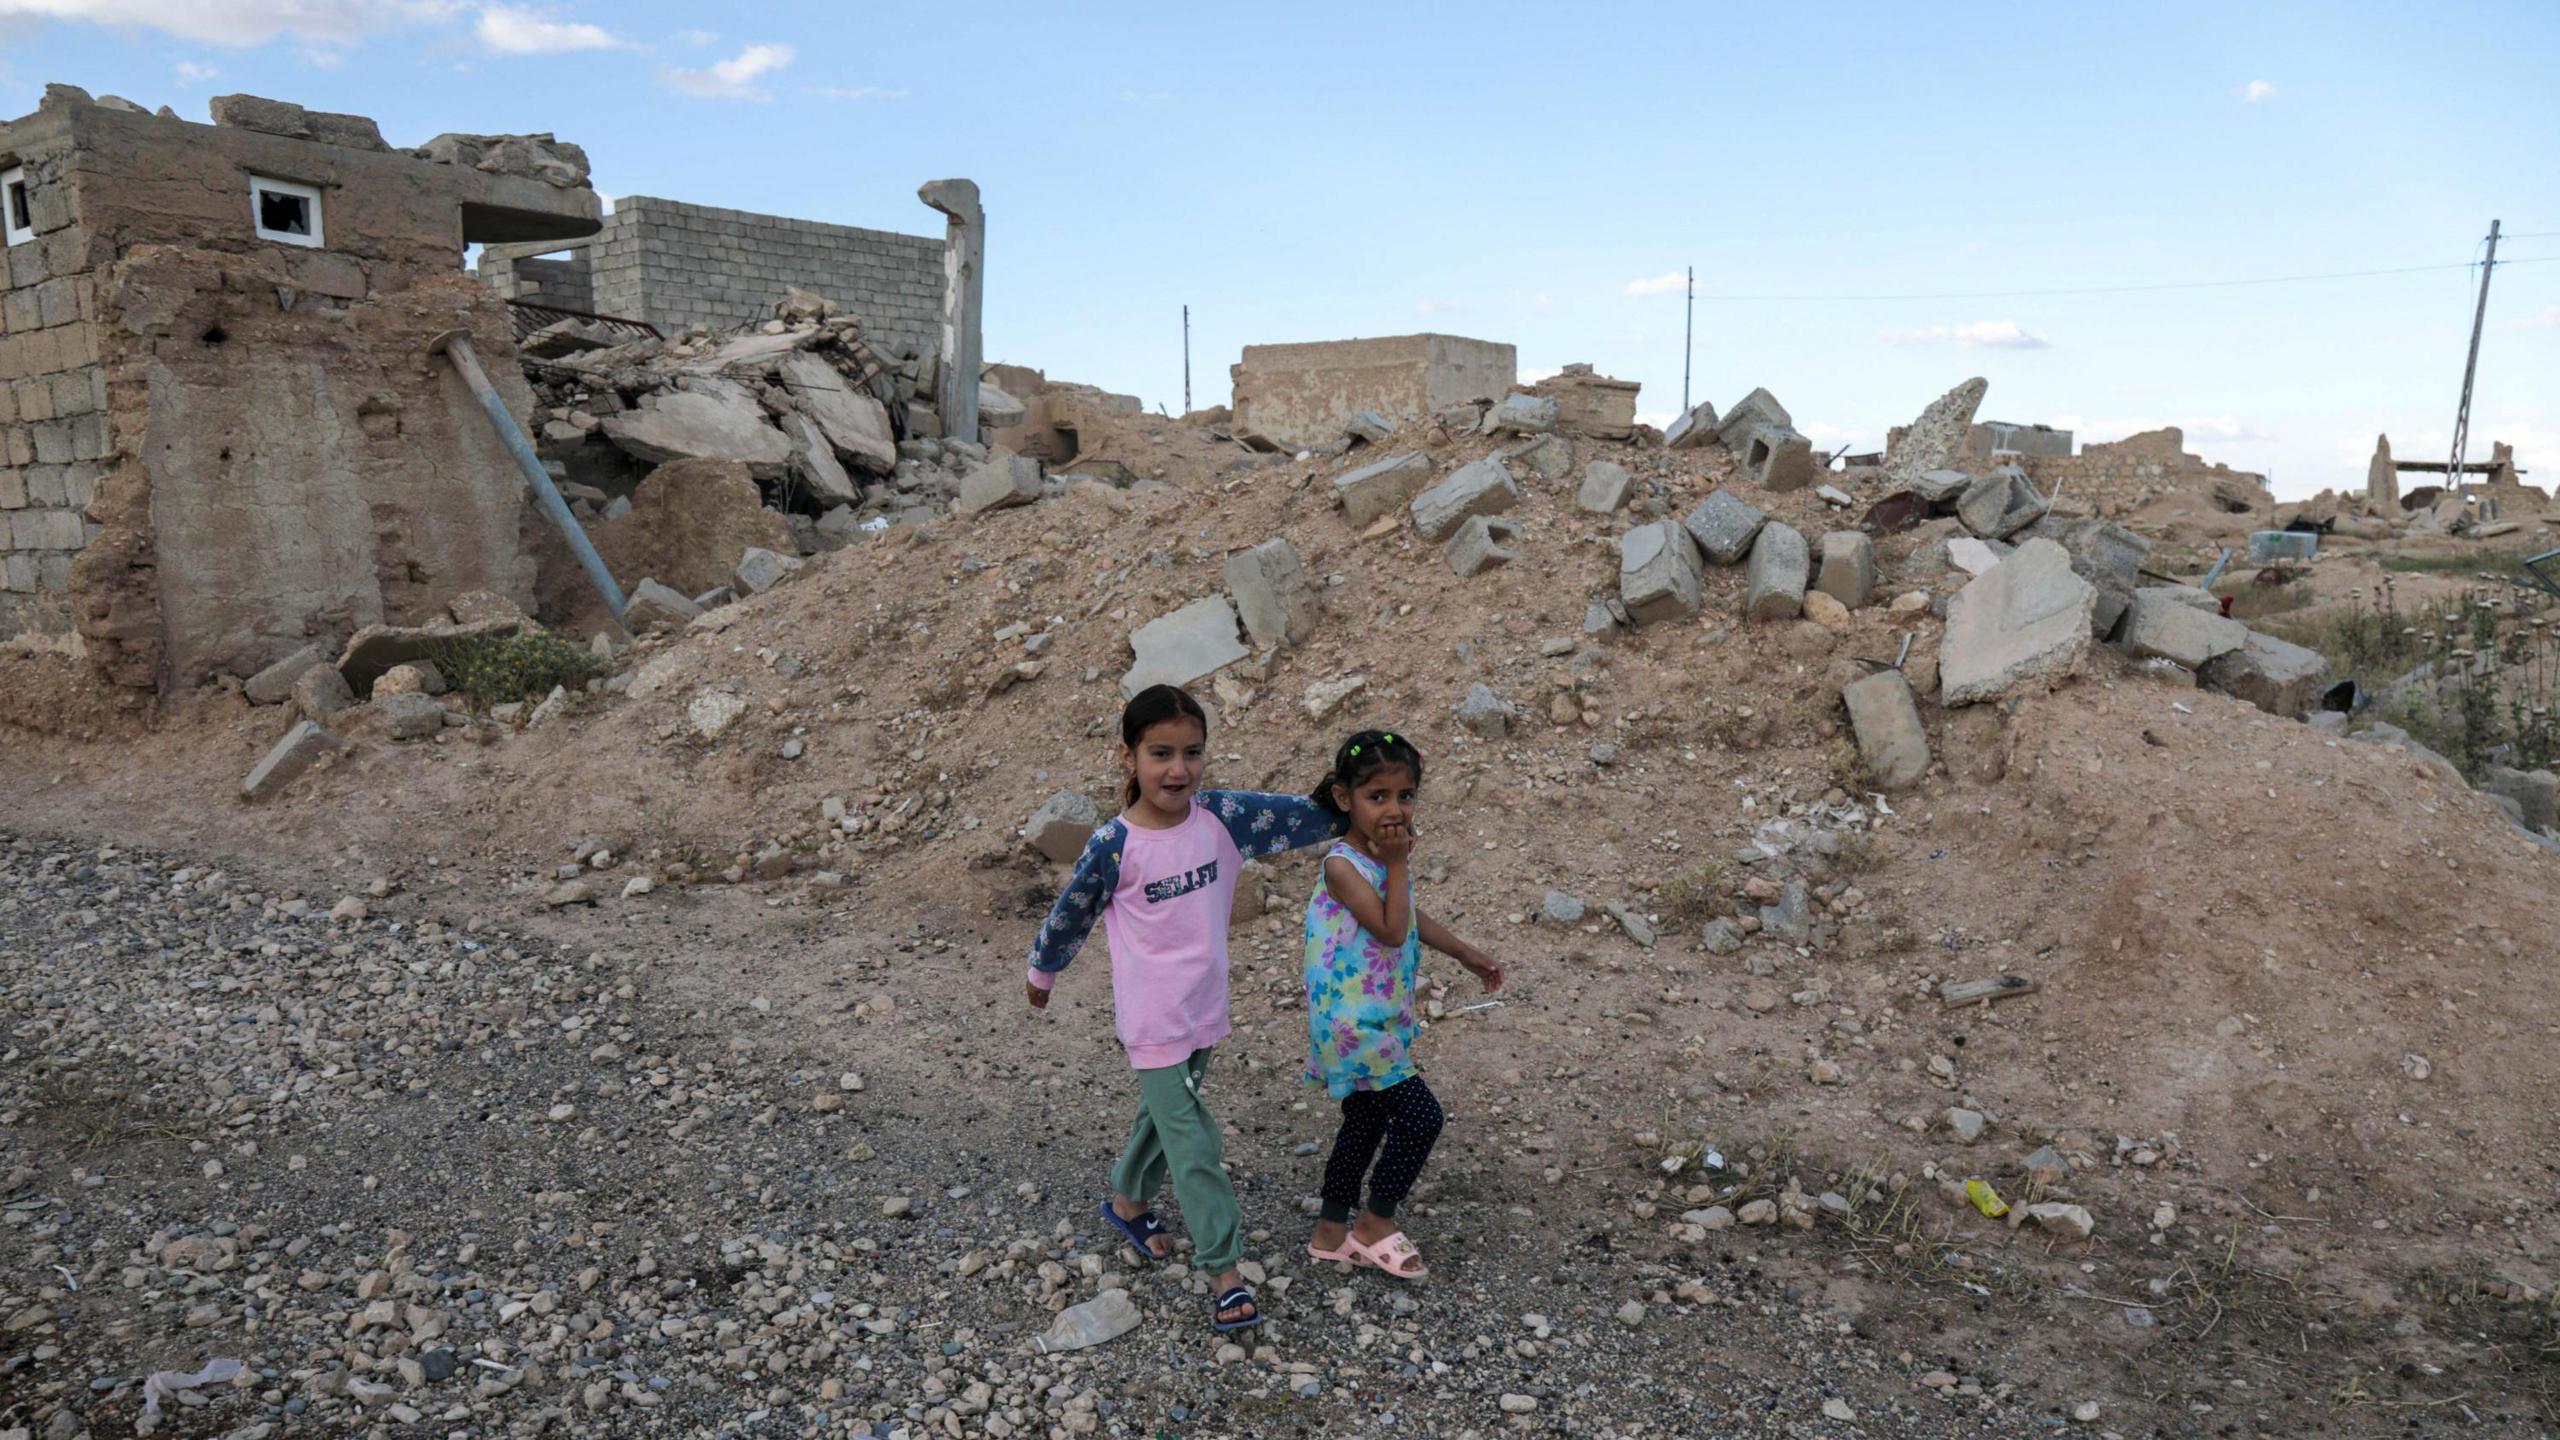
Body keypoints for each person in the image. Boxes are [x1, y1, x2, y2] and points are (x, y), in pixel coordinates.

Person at [1024, 683, 1345, 1332]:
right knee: (1194, 1140)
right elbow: (1072, 912)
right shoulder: (1114, 845)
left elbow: (1296, 818)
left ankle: (1127, 1200)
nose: (1178, 769)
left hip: (1206, 1008)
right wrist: (1043, 970)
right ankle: (1226, 1274)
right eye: (1160, 753)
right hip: (1151, 1019)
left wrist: (1354, 803)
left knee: (1168, 1117)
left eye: (1192, 752)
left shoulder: (1223, 817)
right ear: (1129, 757)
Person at [1300, 729, 1502, 1280]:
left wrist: (1466, 953)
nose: (1394, 809)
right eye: (1377, 797)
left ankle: (1330, 1231)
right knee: (1421, 1117)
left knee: (1364, 1120)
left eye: (1405, 796)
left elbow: (1408, 916)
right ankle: (1375, 1223)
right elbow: (1391, 931)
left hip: (1375, 1015)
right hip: (1353, 1023)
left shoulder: (1379, 861)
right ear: (1345, 800)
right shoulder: (1343, 866)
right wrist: (1397, 862)